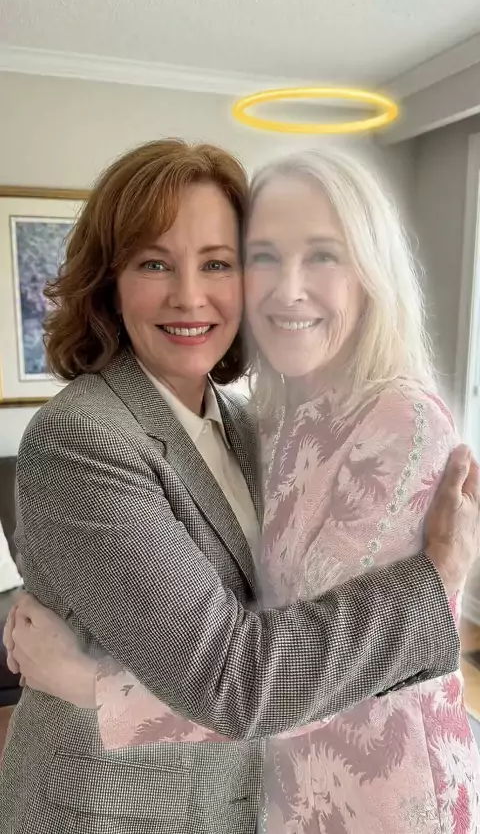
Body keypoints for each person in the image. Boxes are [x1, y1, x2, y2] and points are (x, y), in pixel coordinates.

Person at [1, 140, 479, 834]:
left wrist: (88, 683)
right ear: (109, 283)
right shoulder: (82, 438)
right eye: (154, 263)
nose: (189, 296)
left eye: (217, 263)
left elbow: (310, 659)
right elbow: (230, 677)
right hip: (120, 811)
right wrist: (433, 585)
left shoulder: (248, 422)